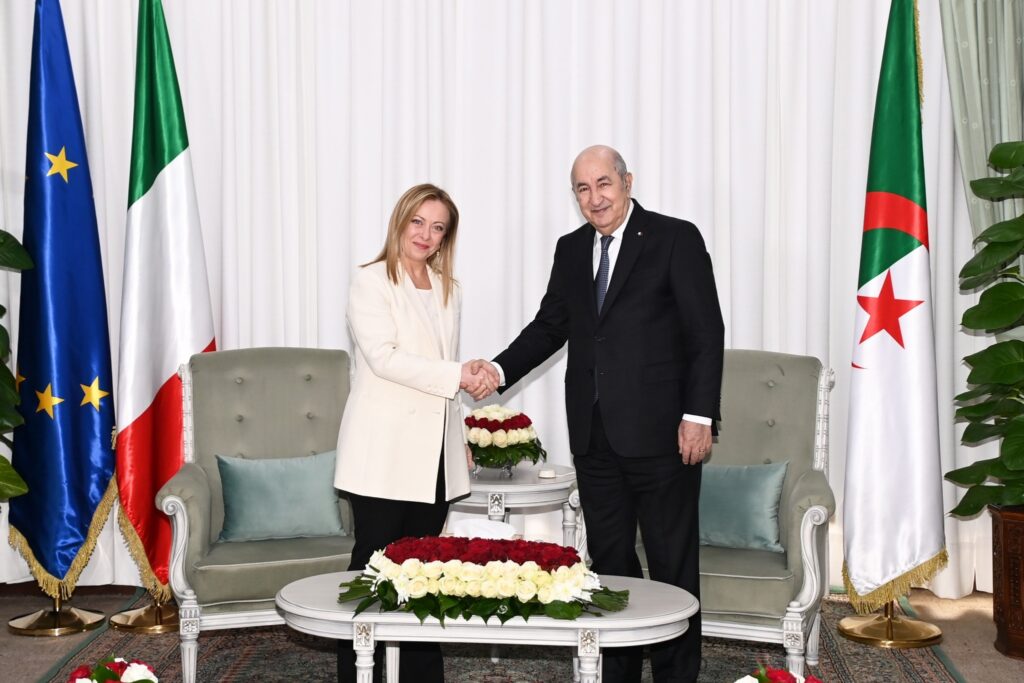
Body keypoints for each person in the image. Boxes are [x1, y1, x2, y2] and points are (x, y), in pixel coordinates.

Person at [484, 145, 724, 682]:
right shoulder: (571, 249)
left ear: (627, 182)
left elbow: (706, 332)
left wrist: (699, 416)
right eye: (582, 189)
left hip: (665, 436)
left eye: (603, 184)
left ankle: (676, 678)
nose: (594, 198)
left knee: (672, 568)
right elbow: (550, 327)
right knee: (611, 570)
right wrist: (497, 371)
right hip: (594, 440)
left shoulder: (674, 238)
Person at [334, 183, 498, 683]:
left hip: (435, 456)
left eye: (438, 227)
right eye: (418, 222)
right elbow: (384, 359)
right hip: (382, 453)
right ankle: (359, 674)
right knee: (372, 573)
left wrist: (459, 438)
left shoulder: (450, 288)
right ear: (401, 221)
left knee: (425, 571)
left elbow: (443, 366)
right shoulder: (370, 281)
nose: (426, 235)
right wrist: (458, 374)